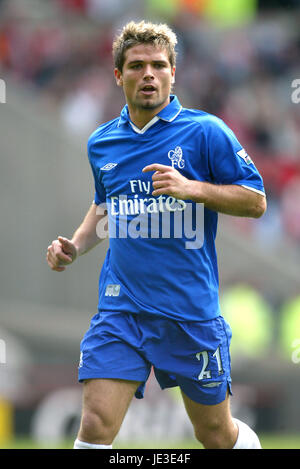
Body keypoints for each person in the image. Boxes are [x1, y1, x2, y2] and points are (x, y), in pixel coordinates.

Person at [46, 20, 266, 449]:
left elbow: (255, 200)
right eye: (137, 66)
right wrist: (76, 243)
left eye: (158, 65)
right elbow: (104, 205)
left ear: (173, 73)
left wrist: (192, 188)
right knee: (94, 425)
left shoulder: (205, 132)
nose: (148, 74)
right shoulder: (102, 143)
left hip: (189, 312)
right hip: (121, 310)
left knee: (216, 434)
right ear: (118, 75)